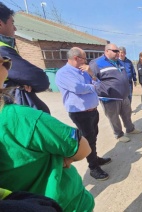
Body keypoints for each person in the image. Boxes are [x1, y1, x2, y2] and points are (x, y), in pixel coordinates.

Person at [0, 53, 95, 211]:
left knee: (92, 137)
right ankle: (94, 166)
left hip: (38, 203)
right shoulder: (21, 118)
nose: (8, 65)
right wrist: (63, 157)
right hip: (67, 204)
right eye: (5, 62)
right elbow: (83, 148)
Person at [56, 47, 111, 181]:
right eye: (84, 58)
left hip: (93, 111)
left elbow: (98, 83)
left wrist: (91, 73)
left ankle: (95, 158)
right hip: (80, 113)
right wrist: (92, 86)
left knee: (93, 137)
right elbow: (78, 88)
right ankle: (93, 168)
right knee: (88, 139)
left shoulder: (84, 70)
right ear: (76, 58)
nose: (86, 61)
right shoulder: (64, 73)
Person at [0, 2, 50, 113]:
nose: (15, 28)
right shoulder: (2, 50)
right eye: (12, 22)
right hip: (14, 117)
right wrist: (21, 83)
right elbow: (39, 79)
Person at [89, 43, 141, 143]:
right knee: (114, 117)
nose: (118, 53)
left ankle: (130, 129)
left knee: (127, 114)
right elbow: (92, 79)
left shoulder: (119, 62)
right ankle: (119, 134)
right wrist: (103, 89)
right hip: (110, 98)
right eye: (115, 51)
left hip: (124, 96)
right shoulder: (96, 63)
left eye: (118, 51)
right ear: (107, 51)